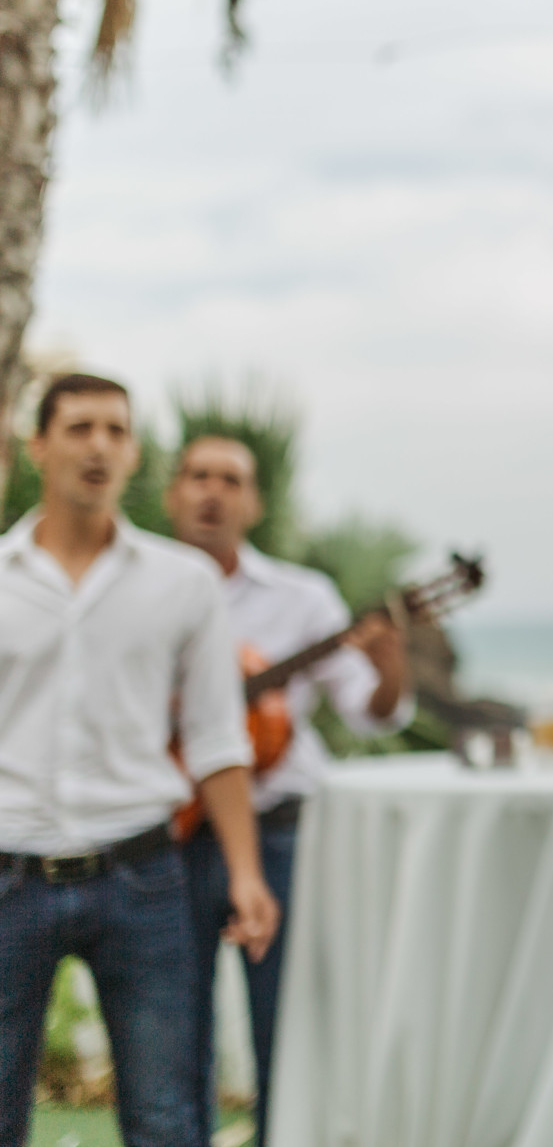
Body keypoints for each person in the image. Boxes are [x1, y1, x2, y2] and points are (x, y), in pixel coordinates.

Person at [0, 375, 279, 1147]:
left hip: (143, 877)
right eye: (80, 426)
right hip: (9, 875)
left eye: (116, 430)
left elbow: (220, 738)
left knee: (164, 1117)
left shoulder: (182, 582)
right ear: (39, 446)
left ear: (132, 454)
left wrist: (247, 873)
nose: (98, 444)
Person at [163, 434, 411, 1143]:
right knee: (177, 1031)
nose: (213, 491)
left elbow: (373, 711)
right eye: (199, 476)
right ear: (175, 492)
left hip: (277, 834)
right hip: (172, 834)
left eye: (231, 480)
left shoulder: (303, 598)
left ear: (254, 502)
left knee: (285, 1026)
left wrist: (391, 664)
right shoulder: (145, 586)